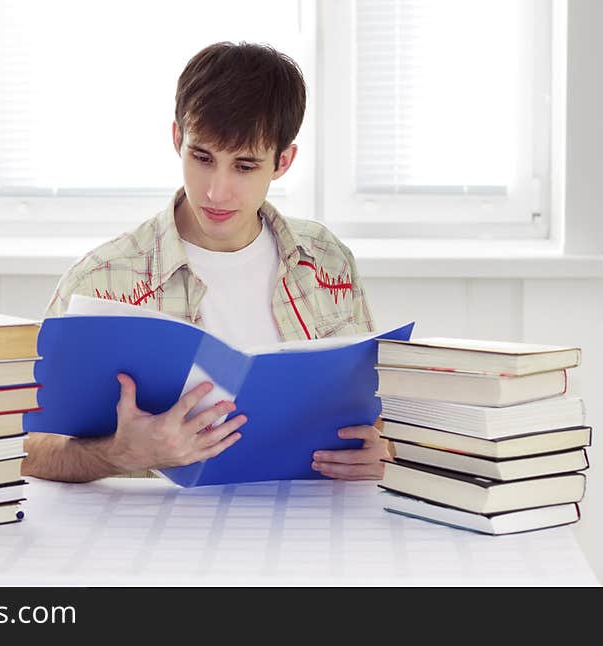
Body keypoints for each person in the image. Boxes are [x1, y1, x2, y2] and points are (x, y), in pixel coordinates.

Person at [23, 41, 391, 483]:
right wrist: (115, 454)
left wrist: (383, 449)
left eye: (244, 166)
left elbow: (379, 411)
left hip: (307, 527)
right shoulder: (99, 282)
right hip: (152, 539)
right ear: (177, 138)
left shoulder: (327, 261)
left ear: (283, 162)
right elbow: (23, 447)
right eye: (201, 158)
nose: (217, 192)